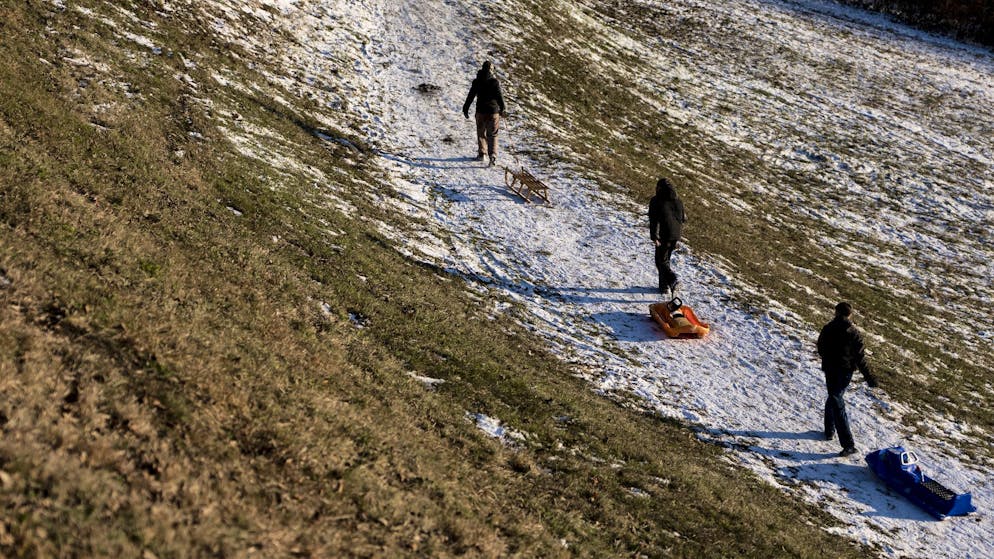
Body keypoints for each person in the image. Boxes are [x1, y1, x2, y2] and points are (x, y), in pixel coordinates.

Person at [817, 302, 879, 457]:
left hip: (830, 368)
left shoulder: (828, 328)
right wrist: (869, 378)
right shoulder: (854, 332)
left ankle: (829, 431)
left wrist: (828, 360)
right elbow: (860, 358)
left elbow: (820, 348)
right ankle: (848, 444)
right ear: (850, 314)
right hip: (844, 371)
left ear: (836, 312)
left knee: (833, 396)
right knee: (837, 400)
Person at [462, 61, 506, 167]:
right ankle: (492, 156)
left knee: (481, 133)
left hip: (480, 112)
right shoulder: (494, 82)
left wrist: (466, 108)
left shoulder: (477, 81)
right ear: (491, 70)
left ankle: (482, 154)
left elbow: (471, 95)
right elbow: (499, 96)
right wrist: (503, 108)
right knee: (493, 134)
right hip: (493, 112)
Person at [648, 177, 686, 298]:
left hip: (664, 235)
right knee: (665, 259)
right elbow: (684, 218)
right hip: (676, 234)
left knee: (661, 261)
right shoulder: (678, 201)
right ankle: (663, 286)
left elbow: (653, 220)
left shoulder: (656, 201)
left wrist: (654, 236)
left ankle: (672, 280)